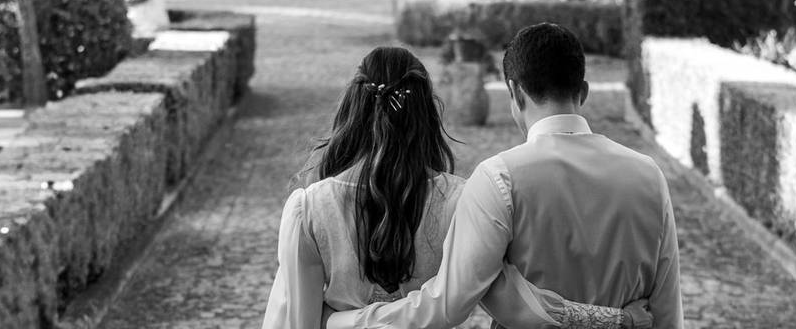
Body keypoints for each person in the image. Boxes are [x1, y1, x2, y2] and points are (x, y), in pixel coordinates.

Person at [262, 46, 652, 329]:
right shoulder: (461, 198)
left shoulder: (309, 209)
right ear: (426, 115)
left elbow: (293, 322)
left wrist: (337, 322)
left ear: (353, 109)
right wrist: (617, 319)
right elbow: (515, 301)